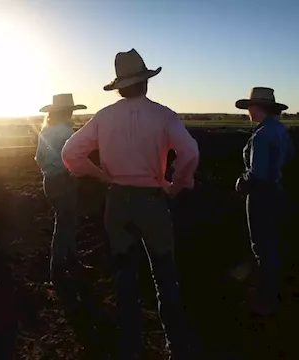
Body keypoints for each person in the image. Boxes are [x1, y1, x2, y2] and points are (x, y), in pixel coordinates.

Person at [61, 49, 200, 360]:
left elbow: (70, 153)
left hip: (117, 202)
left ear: (120, 86)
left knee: (124, 274)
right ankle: (175, 347)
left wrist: (99, 175)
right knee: (164, 274)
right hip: (151, 200)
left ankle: (130, 347)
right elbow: (190, 153)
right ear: (146, 83)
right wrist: (176, 185)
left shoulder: (104, 117)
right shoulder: (163, 115)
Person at [35, 93, 111, 358]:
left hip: (49, 182)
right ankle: (60, 264)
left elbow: (38, 160)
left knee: (63, 219)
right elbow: (77, 157)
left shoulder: (46, 130)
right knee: (67, 221)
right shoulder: (68, 132)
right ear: (68, 112)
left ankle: (68, 261)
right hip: (65, 181)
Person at [234, 87, 294, 316]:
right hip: (277, 193)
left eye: (250, 107)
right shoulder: (280, 130)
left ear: (256, 108)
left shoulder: (260, 136)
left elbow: (257, 174)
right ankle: (273, 293)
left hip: (260, 197)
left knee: (261, 247)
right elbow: (289, 157)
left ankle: (265, 300)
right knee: (273, 244)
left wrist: (241, 183)